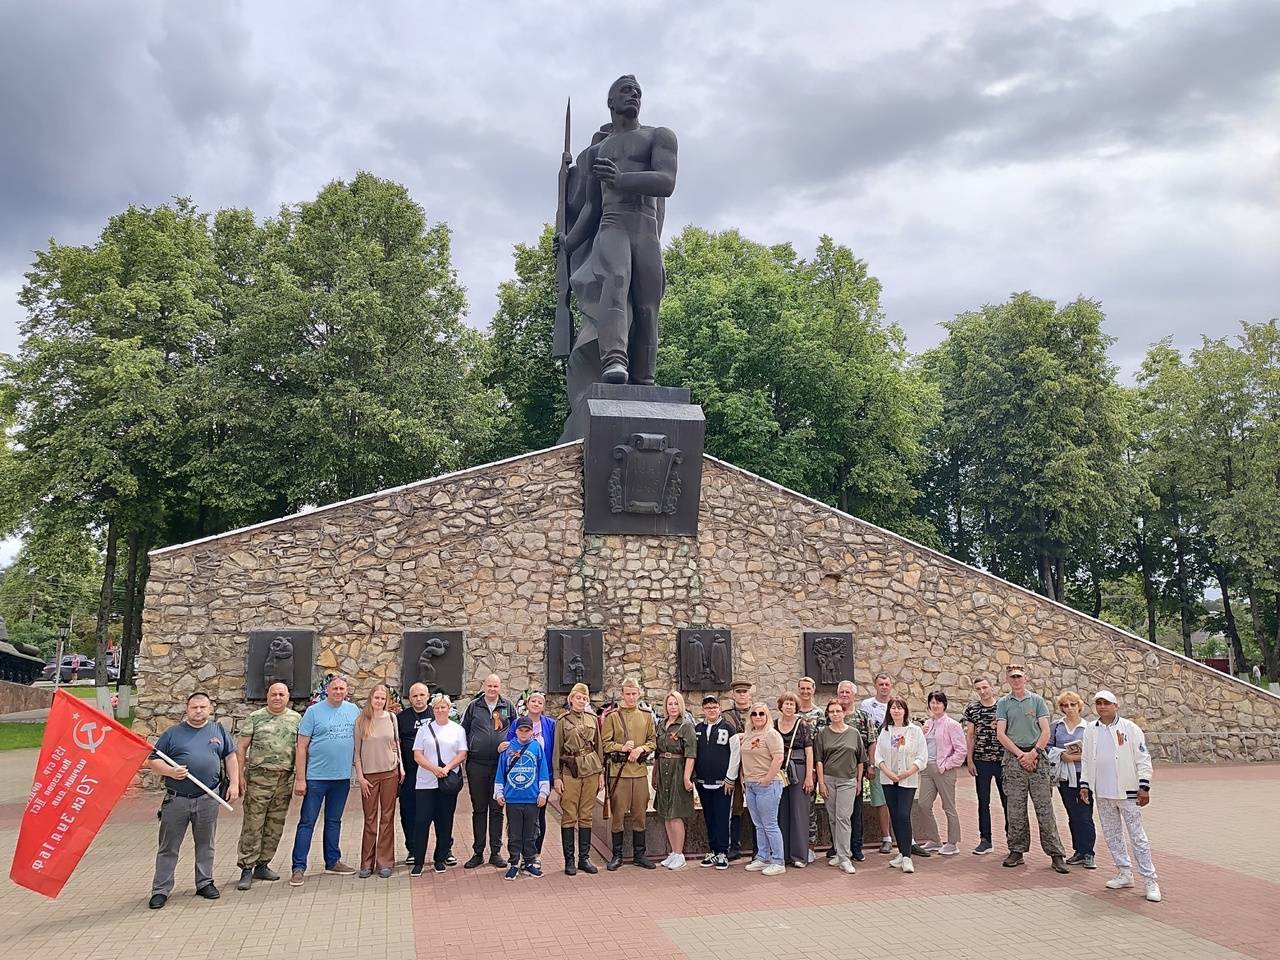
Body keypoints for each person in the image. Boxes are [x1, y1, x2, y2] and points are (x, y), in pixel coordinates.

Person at [147, 692, 239, 909]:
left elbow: (230, 756)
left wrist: (234, 783)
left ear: (209, 709)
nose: (199, 711)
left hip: (208, 798)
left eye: (203, 707)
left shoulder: (218, 731)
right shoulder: (173, 734)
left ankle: (205, 882)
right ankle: (160, 889)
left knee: (206, 844)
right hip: (177, 800)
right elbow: (153, 760)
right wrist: (171, 771)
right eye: (194, 707)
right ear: (187, 709)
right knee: (169, 847)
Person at [1080, 691, 1160, 902]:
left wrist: (1145, 786)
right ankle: (1124, 872)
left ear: (1115, 705)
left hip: (1128, 792)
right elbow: (1087, 759)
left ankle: (1150, 880)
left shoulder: (1130, 729)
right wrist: (1085, 784)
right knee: (1112, 835)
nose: (1102, 707)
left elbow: (1143, 759)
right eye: (1098, 703)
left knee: (1137, 837)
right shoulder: (1090, 730)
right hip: (1103, 793)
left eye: (1106, 703)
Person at [995, 665, 1069, 873]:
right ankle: (1016, 850)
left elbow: (1045, 730)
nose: (1016, 680)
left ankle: (1056, 853)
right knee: (1015, 809)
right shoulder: (1003, 703)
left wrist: (1034, 753)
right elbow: (1001, 733)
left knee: (1045, 809)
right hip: (1014, 759)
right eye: (1012, 677)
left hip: (1037, 758)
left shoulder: (1036, 701)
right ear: (1008, 680)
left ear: (1025, 678)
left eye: (1019, 676)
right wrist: (1020, 755)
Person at [234, 681, 299, 891]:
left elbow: (301, 748)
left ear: (288, 697)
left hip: (283, 780)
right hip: (258, 780)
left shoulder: (295, 719)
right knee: (253, 824)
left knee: (275, 824)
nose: (278, 698)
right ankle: (246, 868)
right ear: (267, 696)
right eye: (274, 694)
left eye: (281, 694)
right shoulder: (255, 718)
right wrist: (240, 776)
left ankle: (263, 864)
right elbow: (241, 748)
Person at [459, 674, 515, 869]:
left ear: (500, 687)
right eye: (489, 685)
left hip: (501, 765)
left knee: (497, 808)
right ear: (484, 686)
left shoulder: (508, 706)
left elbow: (516, 731)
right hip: (477, 764)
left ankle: (496, 852)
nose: (492, 689)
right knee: (480, 808)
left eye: (496, 686)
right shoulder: (474, 706)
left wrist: (511, 748)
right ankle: (478, 852)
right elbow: (462, 731)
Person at [601, 676, 657, 870]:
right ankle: (617, 855)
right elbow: (605, 744)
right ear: (622, 694)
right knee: (618, 815)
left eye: (634, 694)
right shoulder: (613, 717)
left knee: (639, 814)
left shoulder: (647, 716)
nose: (631, 698)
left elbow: (653, 741)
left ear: (639, 694)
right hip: (620, 773)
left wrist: (640, 749)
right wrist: (622, 747)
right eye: (628, 694)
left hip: (640, 773)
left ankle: (639, 854)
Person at [410, 694, 468, 877]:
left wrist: (447, 768)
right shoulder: (424, 730)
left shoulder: (458, 730)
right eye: (437, 708)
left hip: (447, 782)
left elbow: (462, 753)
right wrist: (434, 769)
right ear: (432, 710)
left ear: (449, 709)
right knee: (421, 821)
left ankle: (440, 858)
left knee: (445, 821)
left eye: (443, 707)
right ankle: (418, 860)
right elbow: (417, 755)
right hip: (426, 782)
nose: (440, 711)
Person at [552, 682, 604, 875]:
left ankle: (584, 858)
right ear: (571, 699)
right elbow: (557, 750)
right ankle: (569, 860)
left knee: (586, 814)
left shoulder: (592, 718)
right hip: (570, 771)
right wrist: (557, 777)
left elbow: (598, 747)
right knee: (569, 814)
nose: (581, 701)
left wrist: (600, 774)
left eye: (585, 698)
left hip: (590, 768)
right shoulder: (563, 721)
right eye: (578, 698)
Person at [354, 684, 403, 878]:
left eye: (383, 699)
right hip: (370, 776)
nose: (379, 701)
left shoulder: (392, 718)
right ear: (370, 698)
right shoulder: (361, 721)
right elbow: (356, 753)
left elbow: (396, 744)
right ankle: (367, 862)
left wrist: (401, 767)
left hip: (390, 773)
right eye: (377, 698)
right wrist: (361, 777)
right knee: (370, 819)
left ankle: (385, 862)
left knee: (387, 818)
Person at [875, 697, 929, 873]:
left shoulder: (915, 731)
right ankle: (901, 852)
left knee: (904, 814)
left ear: (905, 711)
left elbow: (922, 757)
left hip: (907, 779)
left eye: (899, 708)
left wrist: (908, 772)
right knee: (895, 815)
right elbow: (878, 756)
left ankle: (907, 857)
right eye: (893, 708)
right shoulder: (884, 731)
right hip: (888, 779)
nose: (896, 711)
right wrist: (888, 772)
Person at [495, 716, 551, 880]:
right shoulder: (507, 748)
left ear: (532, 731)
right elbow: (501, 772)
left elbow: (542, 771)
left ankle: (529, 862)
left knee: (531, 832)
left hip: (532, 797)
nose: (524, 733)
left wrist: (543, 793)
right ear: (516, 731)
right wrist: (499, 792)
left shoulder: (536, 747)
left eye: (527, 730)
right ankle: (514, 862)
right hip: (513, 798)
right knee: (514, 832)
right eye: (521, 730)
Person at [912, 690, 966, 857]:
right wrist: (921, 731)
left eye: (938, 702)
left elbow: (961, 750)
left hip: (944, 770)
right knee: (923, 805)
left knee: (948, 806)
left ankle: (952, 842)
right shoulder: (928, 724)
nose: (935, 705)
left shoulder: (952, 724)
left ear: (944, 705)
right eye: (932, 702)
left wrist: (947, 765)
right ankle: (934, 839)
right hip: (927, 769)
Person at [815, 698, 865, 875]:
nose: (835, 714)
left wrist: (859, 781)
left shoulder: (854, 733)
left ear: (844, 713)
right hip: (829, 779)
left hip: (848, 781)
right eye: (831, 711)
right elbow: (819, 760)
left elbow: (860, 760)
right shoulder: (822, 733)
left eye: (838, 711)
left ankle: (845, 858)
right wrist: (821, 783)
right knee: (833, 818)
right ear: (828, 714)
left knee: (843, 817)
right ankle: (838, 850)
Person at [506, 691, 556, 867]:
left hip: (541, 779)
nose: (536, 704)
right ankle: (517, 854)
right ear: (527, 704)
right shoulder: (517, 724)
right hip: (519, 779)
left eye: (539, 702)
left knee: (538, 817)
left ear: (543, 706)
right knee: (518, 819)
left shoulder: (550, 725)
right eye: (533, 701)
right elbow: (509, 747)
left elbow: (554, 751)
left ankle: (535, 854)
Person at [1048, 690, 1095, 869]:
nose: (1069, 708)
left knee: (1085, 814)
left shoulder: (1089, 727)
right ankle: (1078, 851)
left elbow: (1094, 751)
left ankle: (1089, 852)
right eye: (1065, 705)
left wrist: (1075, 757)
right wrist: (1061, 755)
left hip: (1084, 775)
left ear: (1079, 706)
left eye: (1072, 704)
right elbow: (1047, 746)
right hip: (1065, 776)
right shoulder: (1057, 726)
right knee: (1072, 813)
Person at [739, 701, 787, 876]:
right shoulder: (748, 735)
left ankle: (778, 860)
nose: (758, 717)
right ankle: (762, 856)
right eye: (754, 714)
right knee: (759, 824)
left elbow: (778, 758)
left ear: (767, 716)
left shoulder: (772, 735)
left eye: (762, 714)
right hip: (751, 785)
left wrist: (767, 779)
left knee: (770, 824)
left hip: (768, 784)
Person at [963, 673, 1007, 855]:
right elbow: (970, 735)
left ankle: (1012, 838)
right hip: (981, 761)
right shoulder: (972, 709)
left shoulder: (1003, 706)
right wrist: (970, 759)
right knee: (983, 801)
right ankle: (985, 839)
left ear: (992, 687)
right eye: (979, 689)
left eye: (985, 688)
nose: (982, 692)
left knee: (1007, 800)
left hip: (1003, 761)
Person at [653, 691, 697, 869]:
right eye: (670, 704)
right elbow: (657, 752)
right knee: (666, 812)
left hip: (678, 769)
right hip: (663, 768)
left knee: (676, 812)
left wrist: (687, 777)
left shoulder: (685, 726)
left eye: (675, 704)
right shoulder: (662, 725)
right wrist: (655, 774)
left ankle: (680, 853)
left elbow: (691, 753)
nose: (673, 707)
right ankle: (672, 851)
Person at [694, 695, 737, 869]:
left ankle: (722, 852)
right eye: (707, 707)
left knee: (722, 816)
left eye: (714, 707)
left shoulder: (728, 728)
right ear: (703, 710)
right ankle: (712, 850)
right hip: (703, 781)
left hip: (723, 783)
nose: (711, 710)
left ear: (719, 708)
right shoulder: (697, 729)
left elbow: (735, 754)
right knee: (709, 817)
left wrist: (730, 778)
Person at [774, 692, 814, 868]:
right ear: (780, 706)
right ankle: (783, 854)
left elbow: (809, 751)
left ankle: (799, 855)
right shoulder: (774, 725)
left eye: (792, 704)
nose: (788, 707)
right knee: (781, 811)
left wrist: (808, 777)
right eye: (786, 703)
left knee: (799, 812)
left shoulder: (802, 724)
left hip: (798, 768)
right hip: (779, 770)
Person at [836, 680, 874, 862]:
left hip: (855, 771)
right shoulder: (832, 715)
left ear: (854, 695)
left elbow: (872, 742)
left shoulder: (863, 717)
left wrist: (871, 765)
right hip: (834, 772)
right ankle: (837, 846)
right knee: (836, 812)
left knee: (855, 811)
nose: (844, 695)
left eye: (847, 692)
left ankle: (856, 846)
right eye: (841, 692)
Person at [396, 683, 434, 865]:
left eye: (421, 695)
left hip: (434, 773)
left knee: (439, 811)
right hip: (410, 774)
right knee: (409, 811)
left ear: (428, 696)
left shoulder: (436, 715)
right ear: (409, 699)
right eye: (414, 696)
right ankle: (412, 849)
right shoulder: (401, 718)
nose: (418, 699)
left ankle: (445, 848)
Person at [860, 673, 896, 853]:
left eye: (887, 684)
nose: (884, 687)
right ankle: (886, 837)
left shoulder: (897, 705)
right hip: (877, 759)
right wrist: (870, 763)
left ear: (891, 685)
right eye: (881, 684)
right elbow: (865, 735)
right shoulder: (866, 706)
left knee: (899, 798)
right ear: (875, 685)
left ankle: (906, 836)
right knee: (881, 800)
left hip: (896, 761)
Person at [722, 680, 754, 861]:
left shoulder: (757, 712)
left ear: (749, 694)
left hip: (754, 767)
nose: (742, 695)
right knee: (735, 807)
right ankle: (734, 845)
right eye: (738, 692)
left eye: (745, 692)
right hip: (733, 766)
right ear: (733, 695)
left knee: (758, 806)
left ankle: (758, 847)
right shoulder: (726, 716)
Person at [795, 676, 824, 862]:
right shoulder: (792, 712)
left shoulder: (819, 714)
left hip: (810, 767)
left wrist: (814, 770)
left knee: (809, 807)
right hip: (793, 767)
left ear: (813, 690)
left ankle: (811, 845)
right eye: (802, 688)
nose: (805, 692)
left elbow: (819, 744)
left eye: (808, 688)